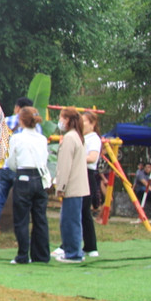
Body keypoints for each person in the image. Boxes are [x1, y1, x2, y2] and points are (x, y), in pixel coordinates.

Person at [0, 97, 39, 242]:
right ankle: (20, 234)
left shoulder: (5, 121)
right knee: (21, 202)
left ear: (17, 108)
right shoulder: (35, 126)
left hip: (4, 166)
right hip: (22, 168)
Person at [5, 106, 50, 264]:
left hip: (23, 177)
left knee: (22, 219)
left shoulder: (17, 138)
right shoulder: (42, 139)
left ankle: (23, 255)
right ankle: (42, 255)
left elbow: (11, 162)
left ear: (21, 120)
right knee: (40, 218)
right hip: (39, 178)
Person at [53, 108, 89, 263]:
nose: (60, 121)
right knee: (73, 220)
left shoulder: (69, 138)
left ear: (67, 120)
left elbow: (64, 165)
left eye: (61, 117)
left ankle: (73, 253)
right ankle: (73, 250)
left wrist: (60, 186)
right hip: (77, 186)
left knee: (69, 222)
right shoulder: (78, 136)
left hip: (71, 187)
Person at [79, 110, 101, 258]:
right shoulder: (82, 137)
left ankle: (91, 246)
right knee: (81, 212)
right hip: (80, 173)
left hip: (87, 174)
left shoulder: (94, 139)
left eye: (84, 121)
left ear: (92, 124)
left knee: (83, 211)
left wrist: (75, 156)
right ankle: (89, 246)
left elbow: (92, 158)